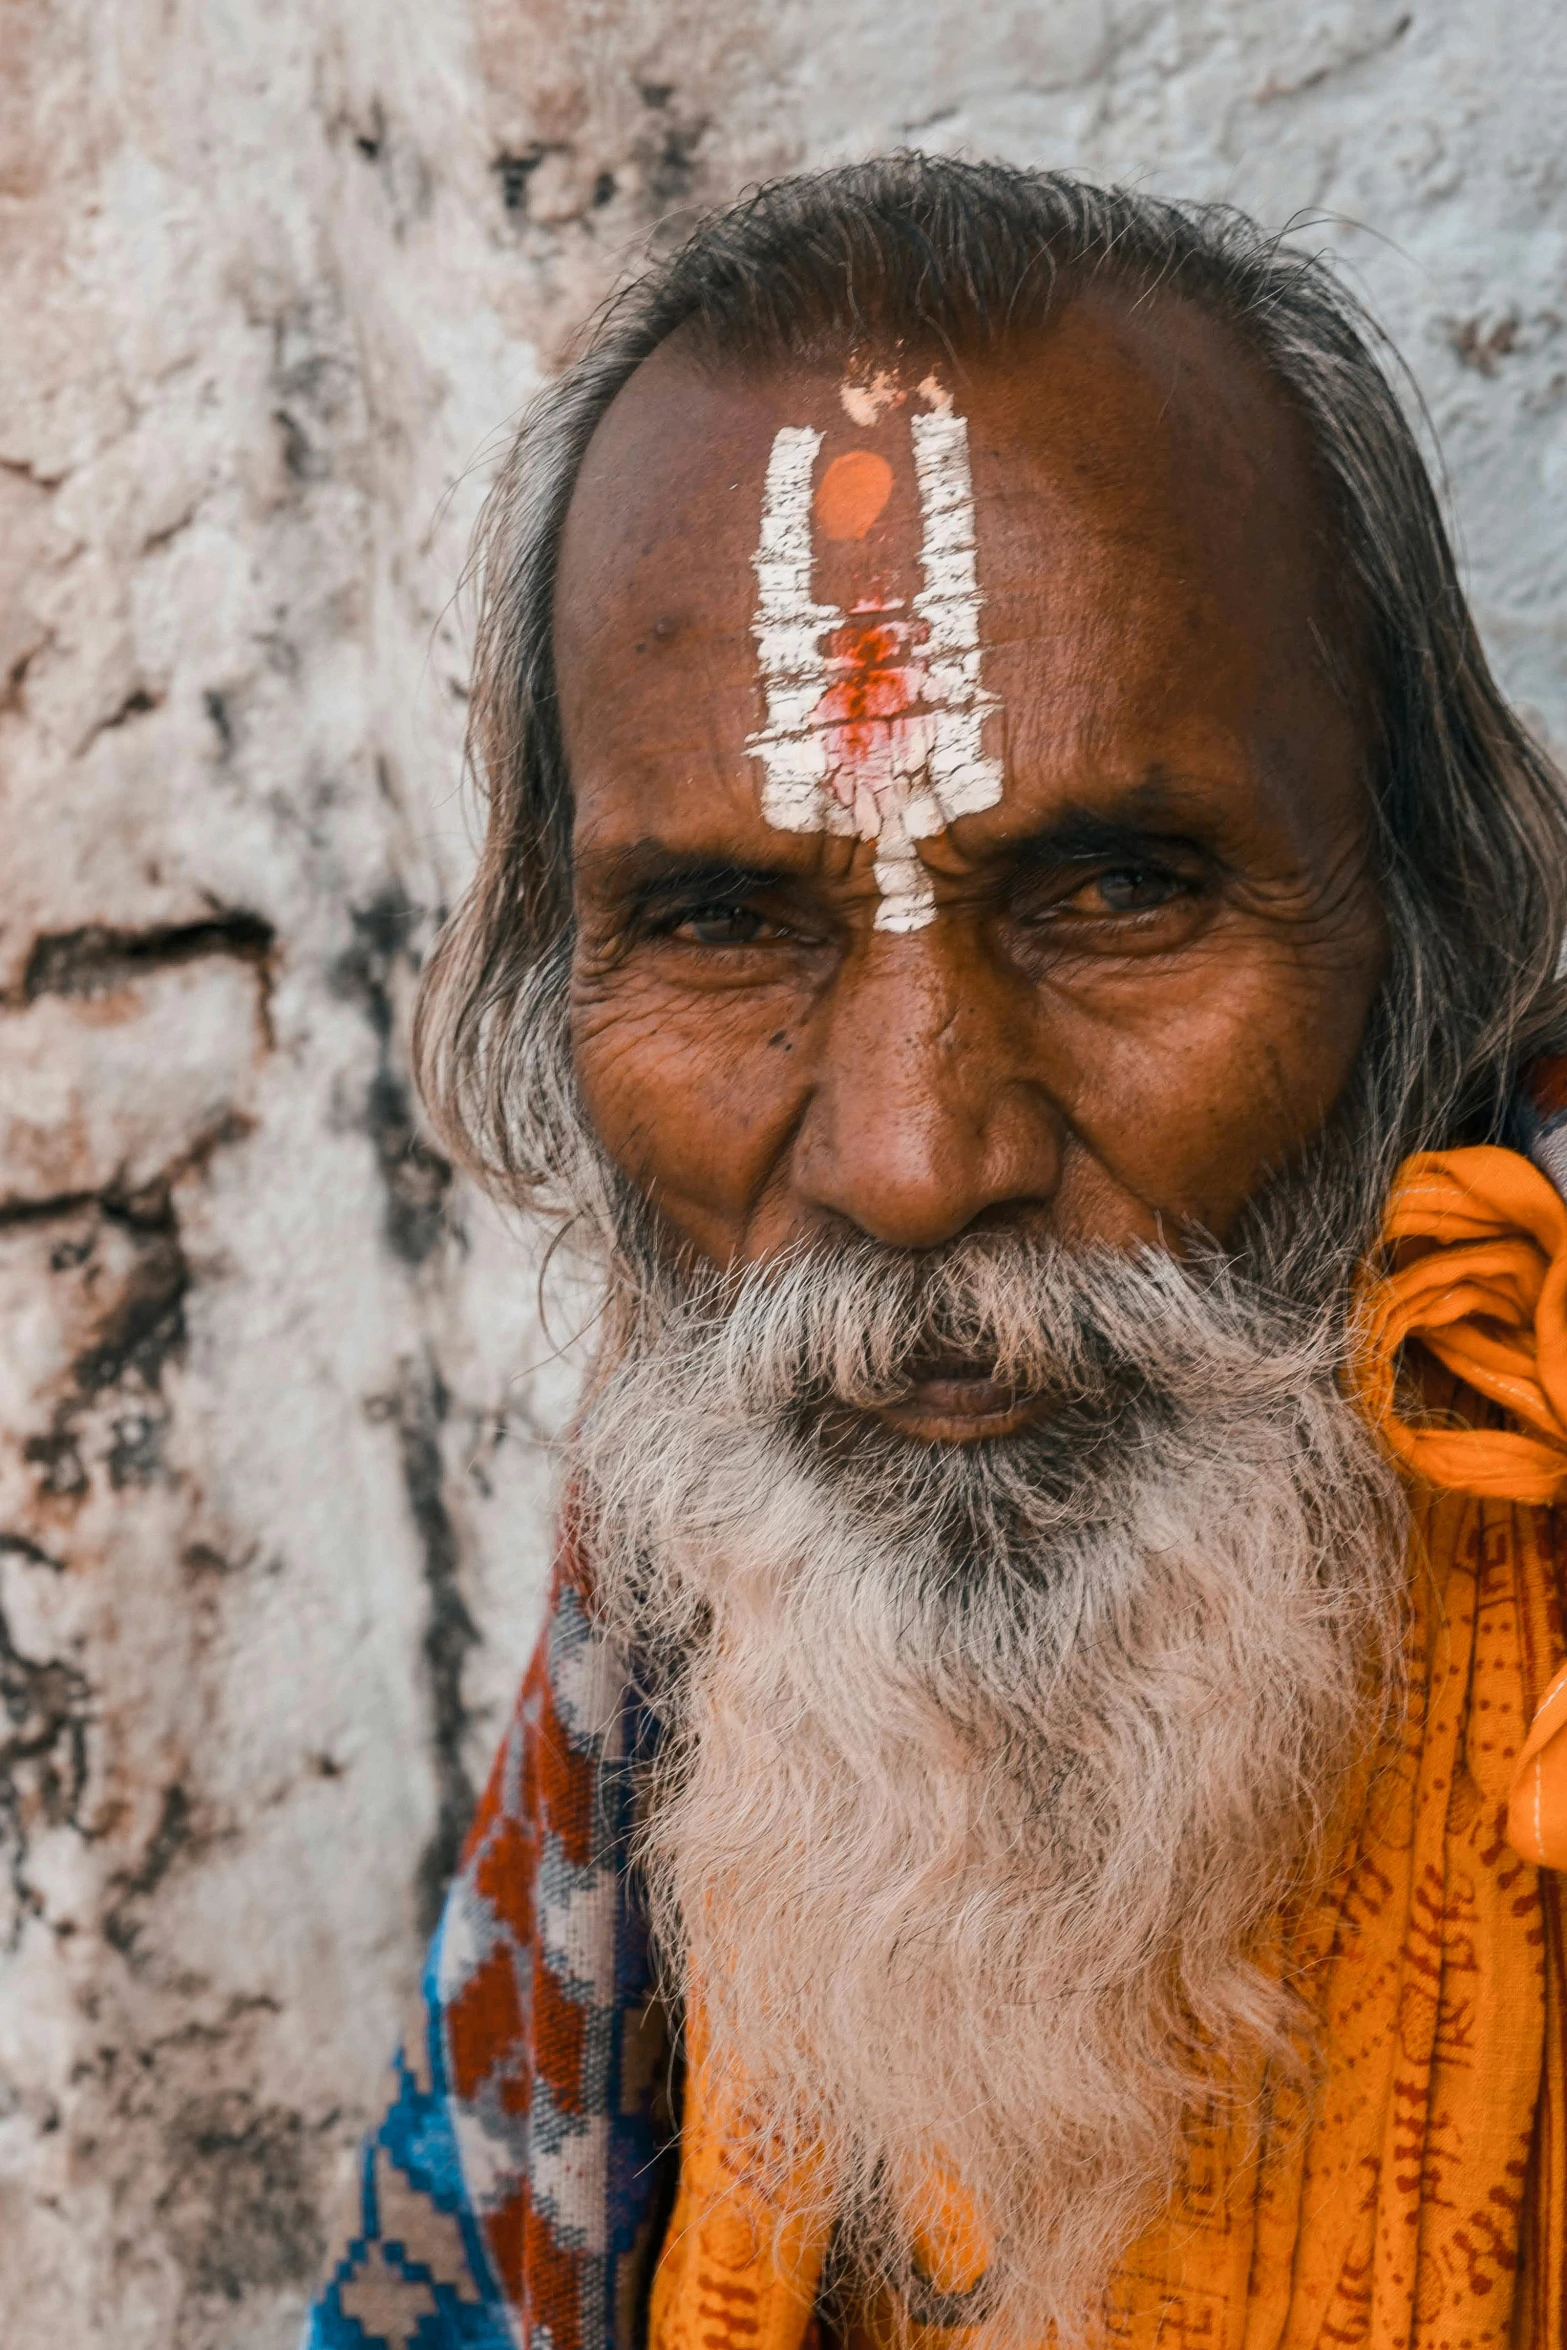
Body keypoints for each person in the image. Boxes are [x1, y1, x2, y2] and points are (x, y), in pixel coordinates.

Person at [305, 157, 1567, 2350]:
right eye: (722, 922)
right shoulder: (670, 1647)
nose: (907, 1156)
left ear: (1434, 928)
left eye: (1113, 894)